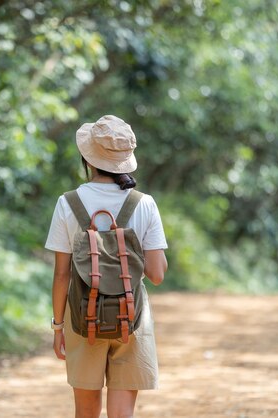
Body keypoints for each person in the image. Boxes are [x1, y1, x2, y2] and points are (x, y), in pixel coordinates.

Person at [45, 115, 168, 418]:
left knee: (85, 413)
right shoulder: (144, 204)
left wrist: (58, 327)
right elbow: (156, 274)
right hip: (132, 317)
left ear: (88, 158)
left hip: (81, 317)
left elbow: (61, 275)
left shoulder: (67, 203)